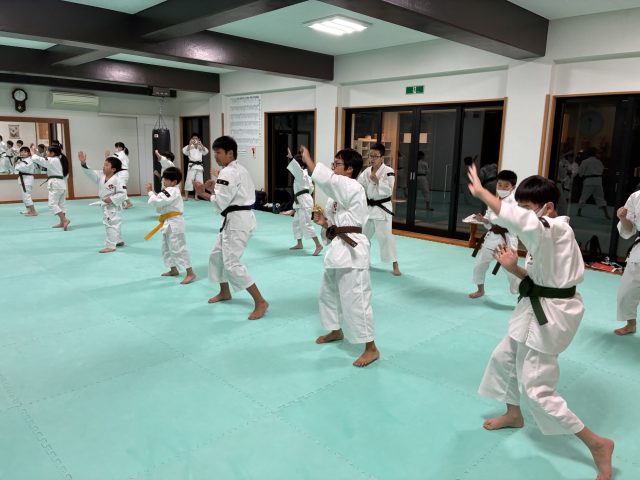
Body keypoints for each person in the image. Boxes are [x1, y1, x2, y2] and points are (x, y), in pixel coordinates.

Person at [467, 165, 614, 480]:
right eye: (519, 206)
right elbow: (535, 280)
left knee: (537, 388)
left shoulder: (556, 230)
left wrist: (484, 195)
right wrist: (513, 267)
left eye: (527, 207)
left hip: (553, 314)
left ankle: (597, 444)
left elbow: (524, 223)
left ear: (547, 207)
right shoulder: (541, 237)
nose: (522, 214)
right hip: (534, 306)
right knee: (504, 359)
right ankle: (513, 413)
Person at [300, 145, 379, 367]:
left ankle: (371, 348)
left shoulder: (353, 186)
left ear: (350, 169)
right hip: (337, 251)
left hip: (353, 252)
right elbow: (335, 226)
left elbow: (329, 181)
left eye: (337, 164)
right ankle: (335, 330)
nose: (333, 167)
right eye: (332, 164)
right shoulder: (334, 197)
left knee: (356, 300)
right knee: (328, 294)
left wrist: (309, 161)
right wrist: (325, 224)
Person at [193, 135, 268, 320]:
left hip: (237, 221)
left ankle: (260, 301)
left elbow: (221, 203)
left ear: (230, 153)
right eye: (215, 153)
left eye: (218, 153)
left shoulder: (227, 172)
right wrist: (213, 188)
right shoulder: (239, 169)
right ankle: (225, 291)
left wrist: (203, 193)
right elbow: (231, 195)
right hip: (237, 218)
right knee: (216, 255)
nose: (215, 156)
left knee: (232, 264)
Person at [469, 170, 519, 299]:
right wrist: (483, 220)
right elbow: (490, 222)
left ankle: (521, 295)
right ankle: (480, 290)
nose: (502, 188)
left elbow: (513, 223)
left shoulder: (516, 204)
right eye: (499, 184)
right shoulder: (494, 200)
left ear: (513, 187)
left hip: (507, 240)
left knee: (511, 271)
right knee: (479, 265)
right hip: (492, 238)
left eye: (506, 186)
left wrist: (492, 220)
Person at [145, 167, 196, 284]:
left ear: (174, 182)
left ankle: (190, 273)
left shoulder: (172, 190)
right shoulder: (168, 191)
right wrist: (152, 193)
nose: (164, 181)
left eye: (166, 179)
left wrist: (150, 192)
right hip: (168, 222)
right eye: (164, 179)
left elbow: (157, 201)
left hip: (174, 223)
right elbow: (160, 201)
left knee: (178, 247)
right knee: (166, 247)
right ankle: (173, 269)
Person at [358, 142, 401, 276]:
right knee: (363, 236)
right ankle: (364, 261)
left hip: (382, 209)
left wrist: (378, 181)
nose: (372, 158)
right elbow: (359, 187)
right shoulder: (366, 172)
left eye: (375, 156)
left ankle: (395, 264)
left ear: (382, 157)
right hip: (369, 208)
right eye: (370, 156)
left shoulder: (388, 171)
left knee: (386, 237)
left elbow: (389, 191)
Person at [78, 151, 126, 253]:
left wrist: (111, 199)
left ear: (113, 169)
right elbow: (90, 173)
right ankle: (118, 240)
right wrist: (83, 163)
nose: (103, 166)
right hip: (106, 205)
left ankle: (111, 246)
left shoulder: (118, 180)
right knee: (115, 223)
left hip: (112, 205)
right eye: (104, 164)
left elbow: (123, 194)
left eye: (106, 165)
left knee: (110, 224)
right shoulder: (101, 175)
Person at [286, 147, 323, 256]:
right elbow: (311, 189)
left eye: (296, 164)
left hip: (304, 201)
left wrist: (291, 158)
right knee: (296, 222)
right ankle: (299, 243)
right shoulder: (305, 176)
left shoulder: (301, 174)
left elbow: (296, 169)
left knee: (305, 224)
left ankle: (318, 245)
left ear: (300, 166)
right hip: (302, 200)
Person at [613, 190, 640, 336]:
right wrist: (622, 218)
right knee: (626, 292)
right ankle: (631, 324)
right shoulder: (636, 197)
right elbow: (629, 230)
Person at [30, 145, 70, 230]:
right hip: (61, 184)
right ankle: (62, 222)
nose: (46, 152)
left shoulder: (53, 160)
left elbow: (40, 160)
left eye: (47, 151)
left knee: (52, 204)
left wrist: (33, 154)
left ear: (53, 153)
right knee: (61, 204)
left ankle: (64, 220)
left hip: (55, 184)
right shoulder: (59, 160)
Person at [577, 148, 610, 219]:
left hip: (589, 181)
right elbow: (602, 170)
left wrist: (581, 175)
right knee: (600, 198)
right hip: (598, 181)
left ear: (587, 154)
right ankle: (606, 213)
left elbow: (580, 172)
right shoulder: (599, 162)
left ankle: (579, 211)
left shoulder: (585, 161)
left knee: (584, 197)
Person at [108, 142, 133, 209]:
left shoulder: (120, 154)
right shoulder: (125, 155)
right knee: (117, 188)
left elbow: (111, 160)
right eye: (116, 147)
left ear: (121, 148)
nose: (116, 148)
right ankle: (122, 202)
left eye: (117, 147)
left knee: (121, 188)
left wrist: (107, 156)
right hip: (122, 173)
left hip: (122, 173)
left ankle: (128, 203)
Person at [183, 133, 208, 201]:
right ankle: (186, 197)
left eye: (196, 138)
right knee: (189, 181)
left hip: (199, 166)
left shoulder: (200, 147)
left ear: (199, 139)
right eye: (193, 138)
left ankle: (196, 196)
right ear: (191, 139)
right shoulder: (189, 146)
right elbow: (185, 152)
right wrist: (189, 144)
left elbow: (205, 152)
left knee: (199, 181)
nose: (195, 139)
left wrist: (201, 145)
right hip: (192, 166)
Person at [14, 146, 38, 216]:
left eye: (25, 152)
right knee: (24, 196)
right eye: (21, 152)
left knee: (27, 196)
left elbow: (19, 168)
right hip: (24, 179)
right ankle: (28, 210)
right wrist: (17, 163)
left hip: (27, 179)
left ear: (29, 153)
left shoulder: (29, 161)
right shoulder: (23, 161)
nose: (23, 153)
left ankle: (33, 211)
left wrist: (17, 164)